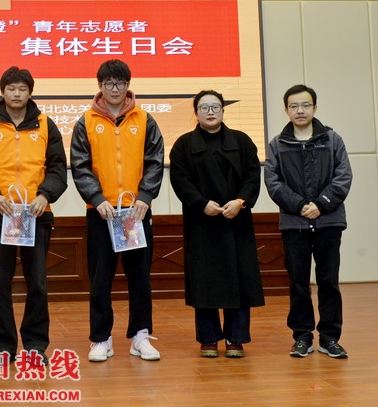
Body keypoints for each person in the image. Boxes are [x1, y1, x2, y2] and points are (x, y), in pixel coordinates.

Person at [0, 66, 68, 364]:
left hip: (35, 215)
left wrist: (44, 195)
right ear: (2, 92)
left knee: (37, 283)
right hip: (0, 215)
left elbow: (58, 167)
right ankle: (3, 346)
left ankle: (35, 346)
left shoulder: (46, 124)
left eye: (22, 88)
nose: (16, 93)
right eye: (11, 88)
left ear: (30, 92)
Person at [70, 59, 164, 362]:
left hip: (136, 213)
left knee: (140, 278)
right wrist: (97, 198)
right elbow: (80, 165)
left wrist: (145, 196)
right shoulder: (86, 121)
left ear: (128, 85)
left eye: (120, 83)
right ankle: (101, 339)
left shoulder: (145, 119)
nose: (114, 89)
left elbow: (155, 160)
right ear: (100, 86)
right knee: (100, 279)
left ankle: (140, 336)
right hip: (102, 213)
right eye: (109, 83)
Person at [169, 90, 265, 358]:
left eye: (215, 107)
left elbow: (252, 175)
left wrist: (240, 202)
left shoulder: (242, 141)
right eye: (204, 108)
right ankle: (208, 338)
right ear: (196, 112)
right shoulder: (183, 145)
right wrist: (201, 203)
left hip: (237, 220)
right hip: (202, 222)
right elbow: (180, 180)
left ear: (223, 110)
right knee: (205, 280)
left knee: (239, 279)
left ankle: (236, 338)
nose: (210, 112)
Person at [264, 84, 352, 359]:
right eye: (294, 106)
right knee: (298, 284)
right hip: (295, 224)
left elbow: (343, 177)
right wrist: (301, 206)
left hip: (328, 222)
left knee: (329, 282)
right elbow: (273, 182)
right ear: (286, 110)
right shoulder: (278, 144)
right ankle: (302, 337)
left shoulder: (332, 139)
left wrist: (321, 205)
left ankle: (330, 338)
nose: (300, 110)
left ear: (315, 107)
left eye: (305, 105)